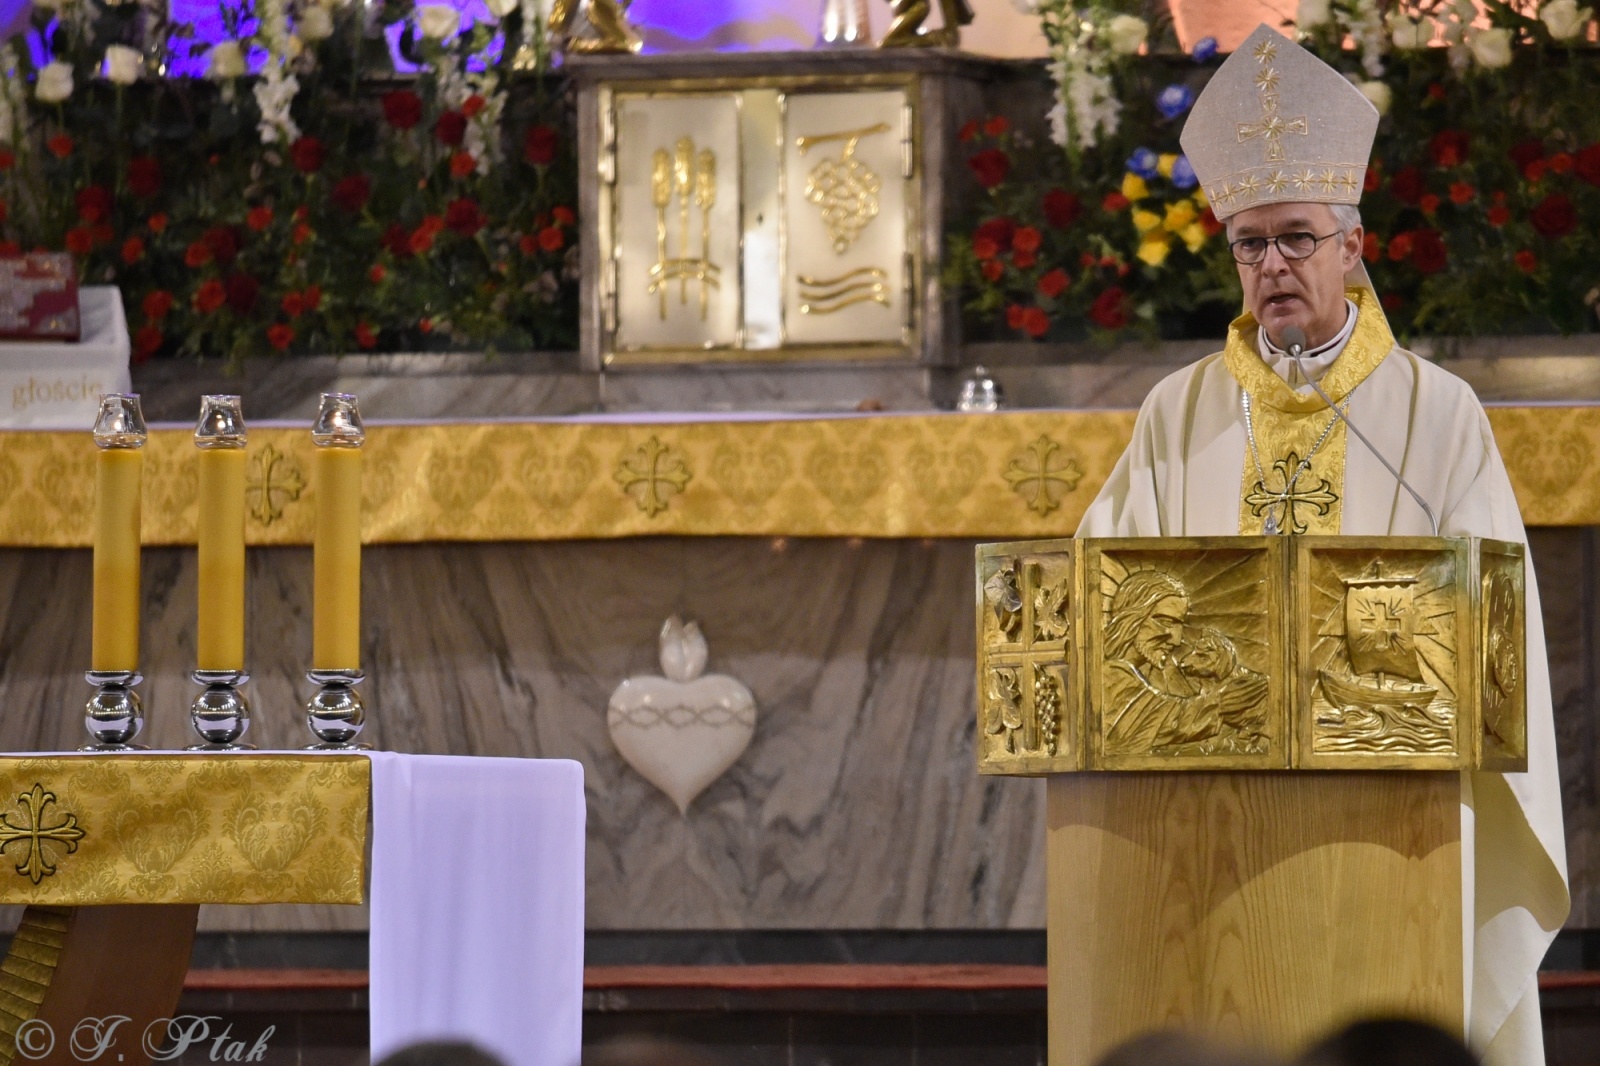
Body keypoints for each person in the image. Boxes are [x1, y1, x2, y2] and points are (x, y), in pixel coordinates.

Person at [1078, 24, 1568, 1066]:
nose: (1271, 266)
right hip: (1206, 835)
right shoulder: (1179, 411)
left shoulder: (1437, 411)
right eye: (1249, 244)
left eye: (1295, 238)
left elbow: (1492, 626)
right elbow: (1098, 594)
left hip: (1392, 829)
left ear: (1352, 244)